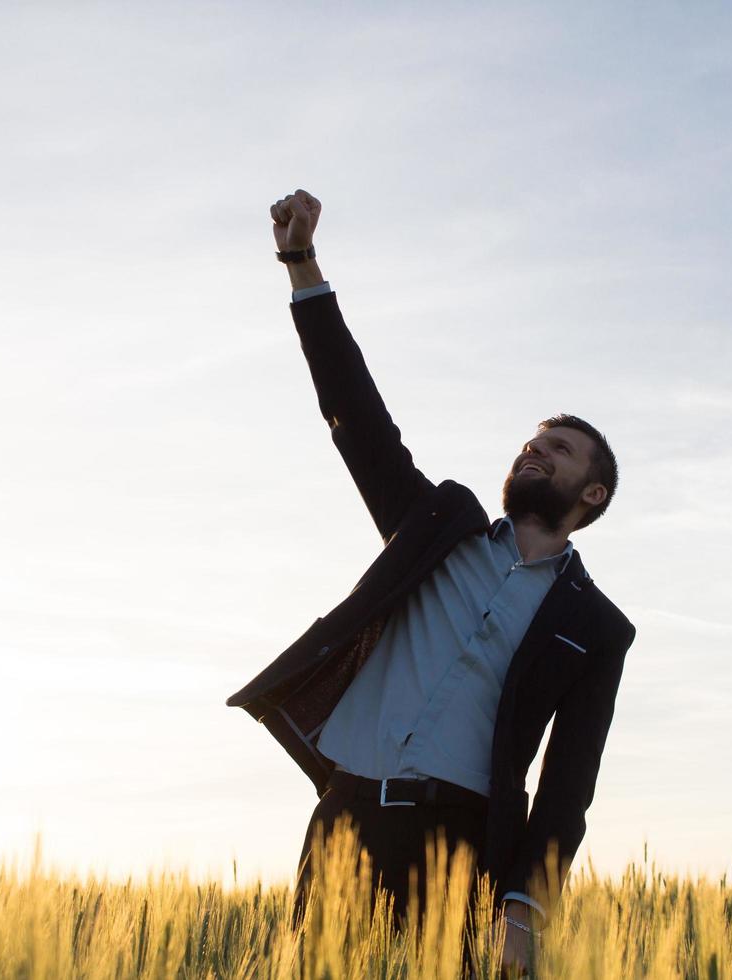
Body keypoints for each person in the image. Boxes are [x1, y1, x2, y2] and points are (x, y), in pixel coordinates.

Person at [226, 188, 636, 973]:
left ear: (594, 495)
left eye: (559, 449)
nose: (535, 450)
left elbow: (566, 788)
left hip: (463, 845)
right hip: (346, 817)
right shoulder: (437, 529)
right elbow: (358, 418)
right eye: (532, 439)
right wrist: (301, 265)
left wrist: (525, 906)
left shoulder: (598, 628)